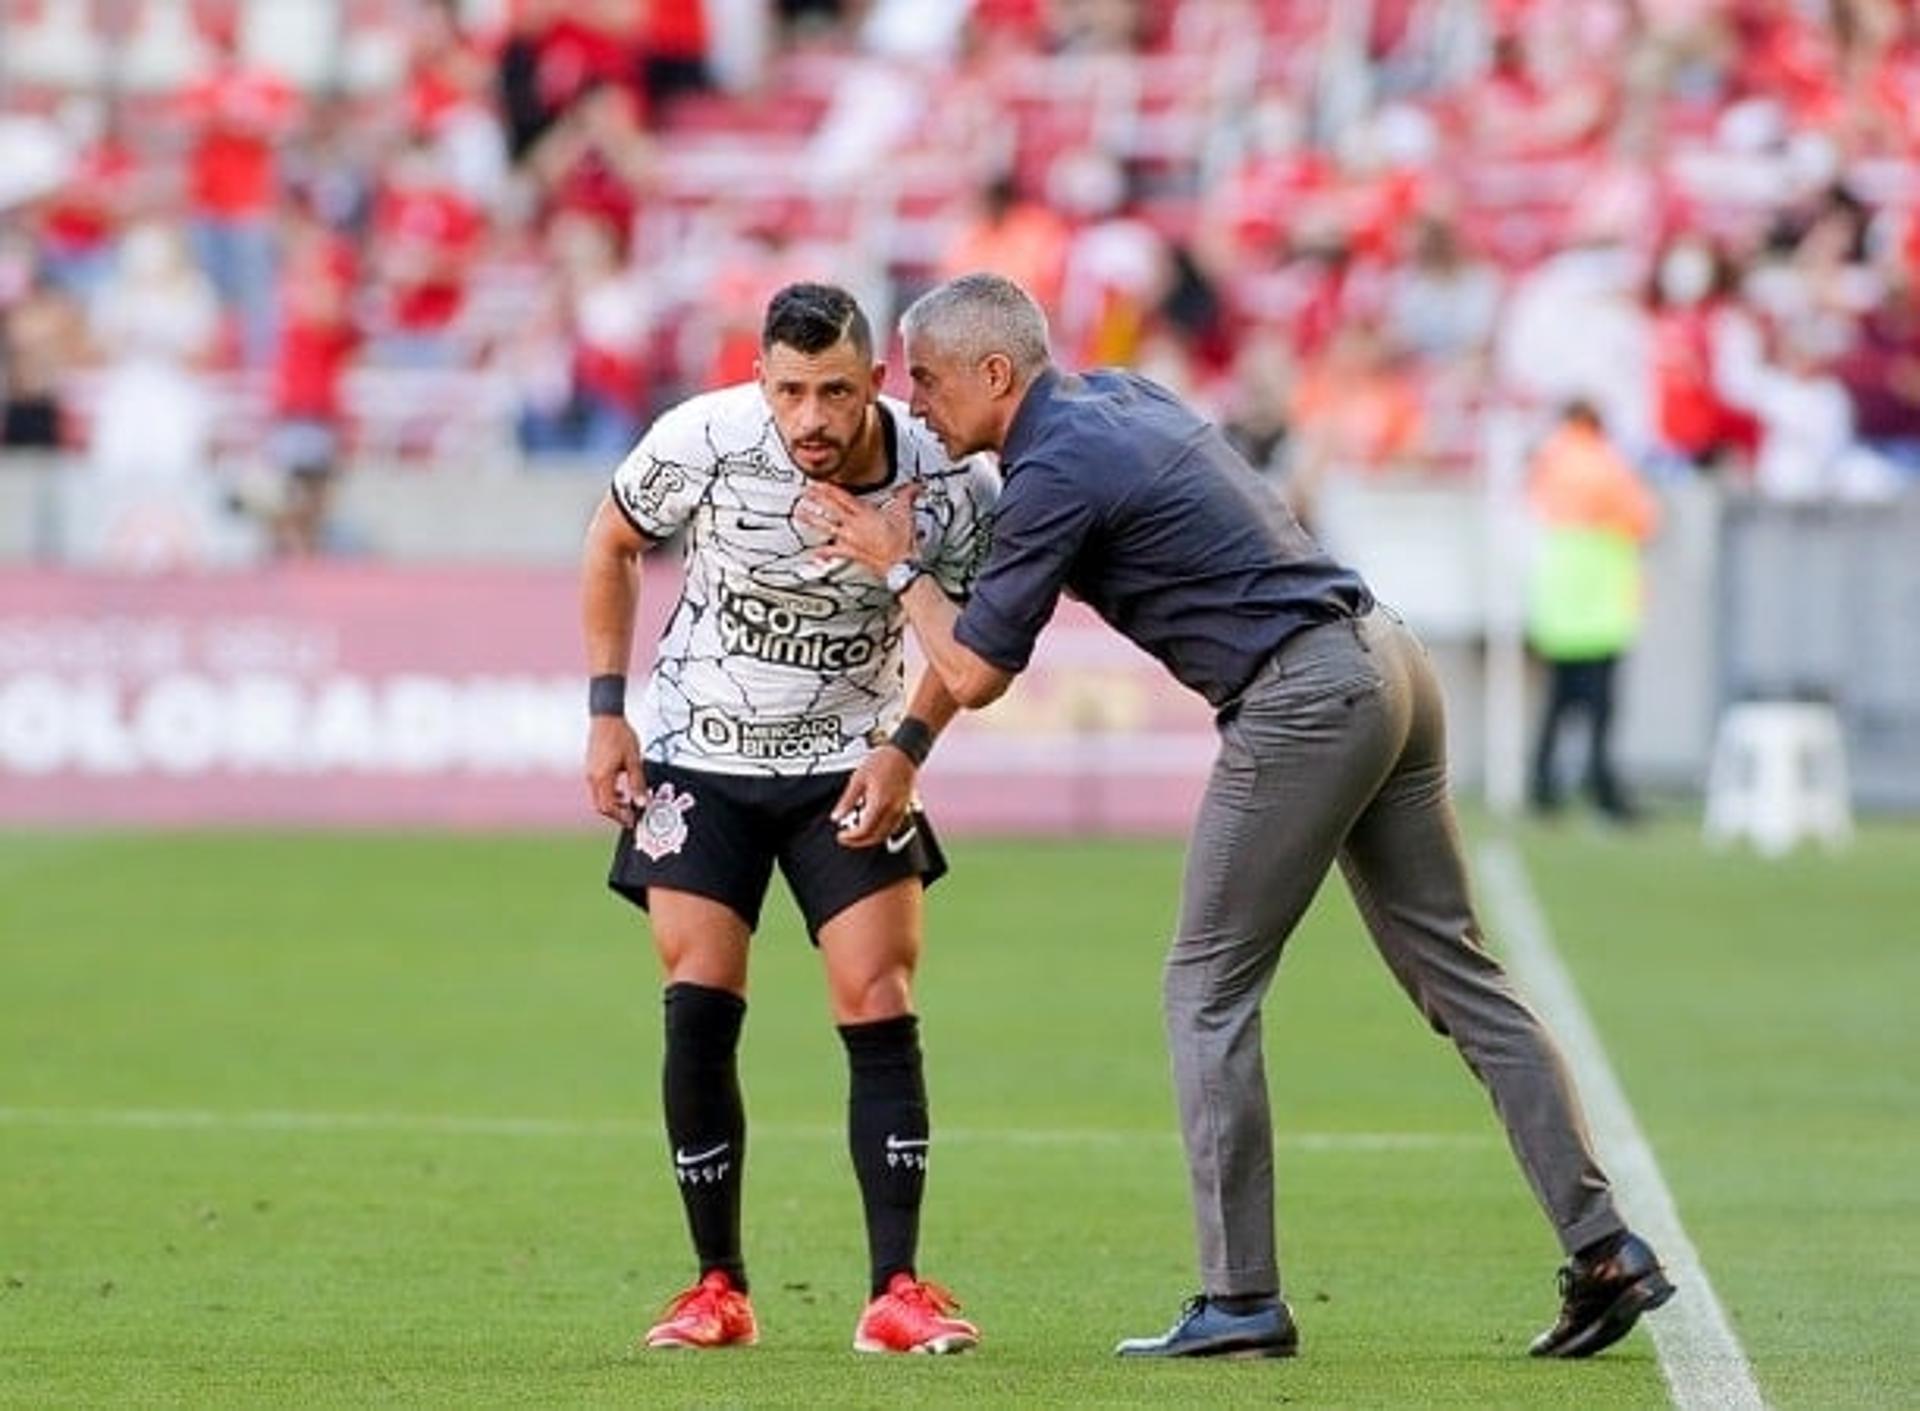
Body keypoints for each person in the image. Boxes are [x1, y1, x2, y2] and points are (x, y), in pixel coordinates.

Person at [803, 272, 1674, 1361]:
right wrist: (910, 722)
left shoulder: (1057, 466)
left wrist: (896, 568)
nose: (913, 402)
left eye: (924, 379)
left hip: (1301, 698)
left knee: (1204, 987)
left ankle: (1241, 1297)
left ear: (995, 372)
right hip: (1384, 662)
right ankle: (1606, 1249)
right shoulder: (1116, 398)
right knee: (1461, 977)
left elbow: (974, 666)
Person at [579, 282, 995, 1355]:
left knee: (878, 992)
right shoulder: (704, 440)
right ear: (760, 381)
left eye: (836, 392)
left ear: (877, 385)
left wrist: (907, 749)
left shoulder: (945, 477)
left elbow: (973, 640)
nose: (811, 416)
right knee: (699, 998)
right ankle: (717, 1284)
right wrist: (605, 715)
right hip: (700, 757)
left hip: (848, 769)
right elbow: (611, 540)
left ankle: (895, 1288)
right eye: (791, 391)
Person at [1527, 401, 1662, 823]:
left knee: (1558, 700)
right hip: (1601, 600)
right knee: (1600, 707)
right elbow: (1644, 520)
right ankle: (1601, 785)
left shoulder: (1547, 462)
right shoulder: (1607, 464)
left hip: (1560, 600)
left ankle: (1543, 785)